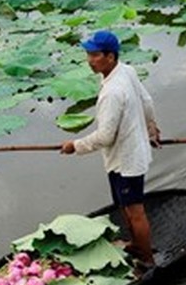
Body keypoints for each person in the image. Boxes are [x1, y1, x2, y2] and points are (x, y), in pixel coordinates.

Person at [60, 30, 162, 266]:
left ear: (110, 56)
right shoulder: (127, 71)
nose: (89, 61)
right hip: (125, 155)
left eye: (95, 55)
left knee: (135, 212)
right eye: (88, 54)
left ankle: (147, 261)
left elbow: (105, 136)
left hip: (127, 161)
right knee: (125, 206)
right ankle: (136, 245)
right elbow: (147, 101)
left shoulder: (112, 92)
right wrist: (152, 127)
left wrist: (74, 146)